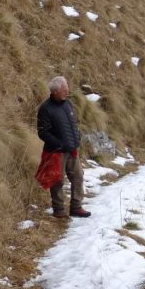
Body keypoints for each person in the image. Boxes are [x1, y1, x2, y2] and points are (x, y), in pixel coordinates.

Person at [36, 76, 90, 218]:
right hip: (56, 152)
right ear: (54, 92)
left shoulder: (68, 104)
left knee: (78, 177)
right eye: (64, 90)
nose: (67, 92)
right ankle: (59, 209)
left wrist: (75, 140)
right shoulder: (45, 109)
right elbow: (42, 132)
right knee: (57, 181)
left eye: (67, 89)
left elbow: (73, 124)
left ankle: (76, 207)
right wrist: (59, 144)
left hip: (72, 150)